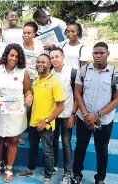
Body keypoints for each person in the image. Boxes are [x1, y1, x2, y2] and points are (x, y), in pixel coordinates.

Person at [72, 42, 118, 184]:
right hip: (84, 118)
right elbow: (78, 93)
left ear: (108, 54)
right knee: (80, 147)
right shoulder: (84, 70)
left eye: (102, 53)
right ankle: (77, 175)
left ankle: (100, 178)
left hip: (104, 120)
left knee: (102, 150)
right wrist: (87, 115)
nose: (98, 56)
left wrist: (97, 116)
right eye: (95, 53)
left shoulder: (115, 73)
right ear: (92, 54)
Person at [15, 54, 65, 184]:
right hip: (33, 122)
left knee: (48, 152)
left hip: (46, 125)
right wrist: (30, 94)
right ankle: (30, 170)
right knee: (32, 148)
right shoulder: (36, 80)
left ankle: (47, 177)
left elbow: (60, 107)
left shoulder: (55, 82)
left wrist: (46, 121)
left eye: (43, 62)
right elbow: (31, 93)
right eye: (38, 62)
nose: (40, 64)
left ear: (50, 65)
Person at [0, 44, 32, 183]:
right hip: (0, 110)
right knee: (0, 139)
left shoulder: (23, 72)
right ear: (6, 55)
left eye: (17, 56)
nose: (14, 58)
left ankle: (9, 168)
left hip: (16, 112)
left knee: (14, 140)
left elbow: (27, 90)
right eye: (11, 55)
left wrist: (28, 96)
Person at [50, 47, 77, 184]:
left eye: (57, 57)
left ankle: (67, 173)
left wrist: (73, 115)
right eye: (52, 57)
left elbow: (78, 95)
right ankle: (54, 166)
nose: (54, 59)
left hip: (67, 114)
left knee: (66, 143)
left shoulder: (72, 73)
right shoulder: (49, 74)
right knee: (53, 141)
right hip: (53, 115)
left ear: (63, 57)